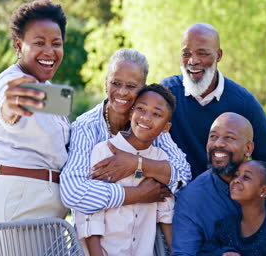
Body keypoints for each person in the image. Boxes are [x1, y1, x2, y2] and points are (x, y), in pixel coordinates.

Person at [0, 0, 69, 222]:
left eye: (56, 43)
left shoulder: (50, 92)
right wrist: (9, 108)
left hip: (43, 209)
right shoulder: (12, 81)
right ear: (18, 45)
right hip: (15, 205)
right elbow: (8, 109)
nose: (50, 51)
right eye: (39, 42)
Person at [60, 49, 191, 217]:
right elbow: (72, 192)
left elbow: (184, 175)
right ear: (105, 82)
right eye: (115, 83)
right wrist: (138, 194)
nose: (122, 92)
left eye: (131, 86)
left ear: (143, 89)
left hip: (142, 231)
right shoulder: (86, 127)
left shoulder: (148, 125)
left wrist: (137, 163)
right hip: (96, 236)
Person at [171, 112, 266, 256]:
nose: (218, 143)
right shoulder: (192, 198)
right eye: (213, 137)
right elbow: (183, 253)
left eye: (229, 137)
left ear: (248, 148)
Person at [161, 23, 266, 179]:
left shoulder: (244, 102)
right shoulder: (166, 94)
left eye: (202, 53)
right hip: (173, 193)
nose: (193, 60)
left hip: (225, 195)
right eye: (186, 53)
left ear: (219, 55)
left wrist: (240, 189)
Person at [75, 84, 176, 256]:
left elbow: (165, 214)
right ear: (131, 113)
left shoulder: (160, 161)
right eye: (141, 109)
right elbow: (91, 216)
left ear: (166, 127)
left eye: (156, 114)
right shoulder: (104, 152)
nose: (146, 118)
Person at [199, 160, 266, 256]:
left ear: (264, 191)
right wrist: (223, 253)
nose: (236, 180)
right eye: (235, 175)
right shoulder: (227, 225)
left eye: (246, 177)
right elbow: (205, 252)